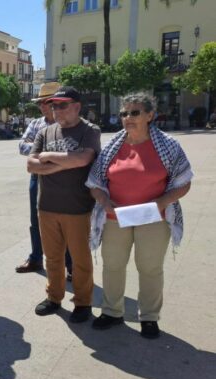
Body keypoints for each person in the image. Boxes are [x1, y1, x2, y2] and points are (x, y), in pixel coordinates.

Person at [87, 93, 193, 339]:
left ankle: (148, 317)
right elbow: (94, 182)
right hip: (116, 219)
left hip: (153, 219)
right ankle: (112, 312)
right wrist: (104, 201)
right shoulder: (113, 146)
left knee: (150, 268)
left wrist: (162, 202)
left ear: (150, 116)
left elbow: (184, 182)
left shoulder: (168, 146)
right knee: (113, 265)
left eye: (135, 113)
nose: (128, 118)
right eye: (124, 113)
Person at [27, 86, 101, 323]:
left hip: (78, 207)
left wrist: (48, 158)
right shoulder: (45, 132)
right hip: (47, 206)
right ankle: (54, 297)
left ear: (77, 106)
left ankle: (83, 302)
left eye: (62, 105)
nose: (55, 109)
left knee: (80, 259)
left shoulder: (89, 130)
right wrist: (65, 163)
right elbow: (31, 164)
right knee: (52, 257)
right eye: (53, 105)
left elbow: (84, 158)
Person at [15, 82, 73, 279]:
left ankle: (70, 264)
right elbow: (22, 145)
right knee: (35, 219)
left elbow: (70, 151)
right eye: (40, 102)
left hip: (64, 179)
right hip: (38, 177)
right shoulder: (36, 123)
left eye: (46, 102)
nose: (42, 106)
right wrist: (48, 154)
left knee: (64, 221)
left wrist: (39, 151)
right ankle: (36, 257)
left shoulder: (68, 122)